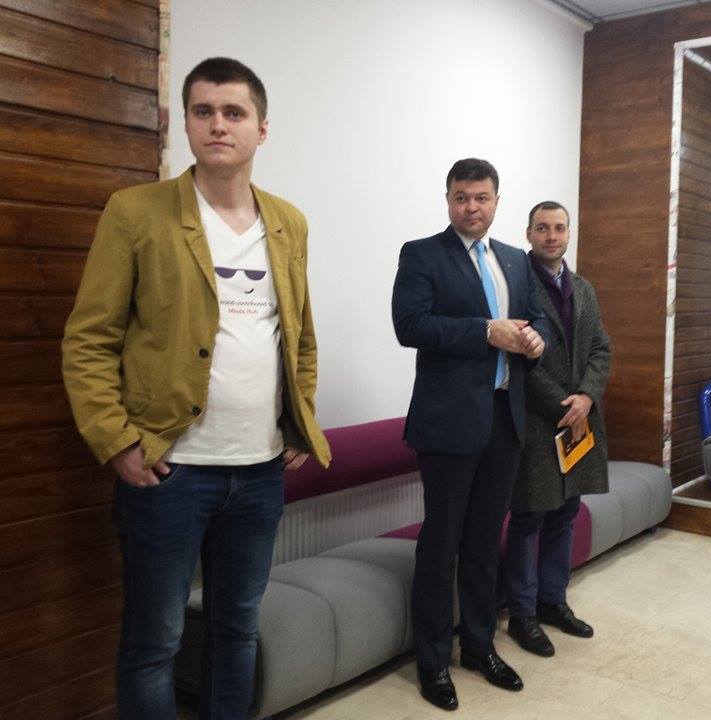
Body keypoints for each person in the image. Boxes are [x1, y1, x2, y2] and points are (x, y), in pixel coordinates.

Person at [61, 57, 330, 720]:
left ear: (261, 128)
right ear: (184, 122)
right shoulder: (136, 212)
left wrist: (300, 419)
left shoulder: (288, 222)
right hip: (170, 470)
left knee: (237, 629)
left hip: (260, 471)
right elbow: (89, 340)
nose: (218, 125)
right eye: (203, 111)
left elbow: (299, 336)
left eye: (234, 112)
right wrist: (116, 440)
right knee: (155, 643)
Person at [391, 158, 549, 711]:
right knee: (441, 545)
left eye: (481, 197)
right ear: (448, 200)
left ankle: (480, 646)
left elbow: (536, 319)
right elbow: (409, 325)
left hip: (505, 420)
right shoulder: (422, 254)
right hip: (449, 424)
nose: (471, 207)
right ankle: (433, 661)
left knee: (484, 543)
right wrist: (486, 332)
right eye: (461, 197)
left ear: (497, 201)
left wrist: (535, 341)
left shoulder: (515, 260)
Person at [504, 201, 611, 658]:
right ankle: (522, 615)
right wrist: (562, 404)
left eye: (559, 228)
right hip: (535, 420)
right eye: (542, 228)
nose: (552, 235)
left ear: (569, 233)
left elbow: (601, 349)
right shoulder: (516, 286)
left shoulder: (583, 288)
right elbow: (515, 358)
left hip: (579, 420)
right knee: (529, 517)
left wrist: (586, 397)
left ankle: (553, 602)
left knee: (566, 511)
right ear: (528, 233)